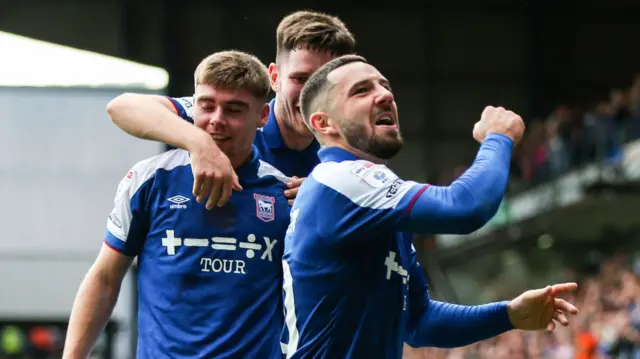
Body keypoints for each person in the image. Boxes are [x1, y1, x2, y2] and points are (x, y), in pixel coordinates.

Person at [281, 54, 579, 359]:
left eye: (385, 87)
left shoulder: (369, 202)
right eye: (361, 91)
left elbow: (418, 321)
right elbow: (466, 207)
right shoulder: (342, 178)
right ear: (323, 122)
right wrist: (498, 137)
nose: (385, 95)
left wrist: (509, 315)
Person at [63, 51, 292, 359]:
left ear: (263, 116)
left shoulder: (285, 194)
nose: (217, 120)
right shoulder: (150, 180)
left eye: (234, 109)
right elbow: (105, 277)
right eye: (207, 105)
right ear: (193, 104)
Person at [106, 10, 356, 208]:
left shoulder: (348, 151)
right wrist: (202, 145)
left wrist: (331, 196)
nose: (311, 94)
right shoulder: (231, 114)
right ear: (275, 77)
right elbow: (123, 107)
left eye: (325, 82)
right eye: (300, 79)